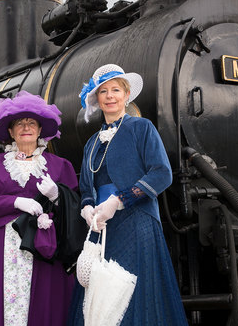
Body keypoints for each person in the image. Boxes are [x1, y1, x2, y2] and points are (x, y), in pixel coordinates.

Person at [67, 64, 187, 325]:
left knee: (131, 295)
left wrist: (119, 200)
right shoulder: (91, 143)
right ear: (97, 99)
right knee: (100, 298)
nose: (110, 96)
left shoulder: (142, 128)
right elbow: (87, 188)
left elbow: (161, 173)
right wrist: (87, 209)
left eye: (116, 90)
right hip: (102, 229)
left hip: (136, 221)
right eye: (104, 92)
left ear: (126, 94)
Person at [0, 91, 79, 326]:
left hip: (44, 245)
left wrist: (58, 197)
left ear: (40, 130)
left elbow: (75, 208)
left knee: (45, 305)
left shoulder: (61, 165)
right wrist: (15, 202)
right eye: (19, 123)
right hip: (1, 245)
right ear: (10, 131)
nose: (26, 127)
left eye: (31, 123)